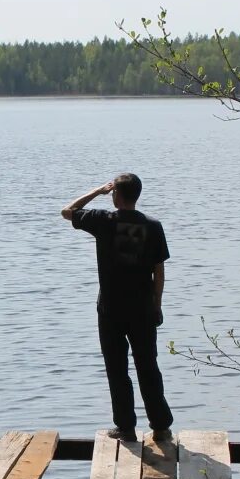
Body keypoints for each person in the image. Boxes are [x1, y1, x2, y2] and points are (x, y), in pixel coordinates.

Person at [61, 173, 174, 440]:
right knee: (148, 366)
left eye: (112, 192)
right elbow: (159, 272)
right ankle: (160, 426)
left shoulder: (103, 220)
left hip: (111, 310)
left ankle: (126, 427)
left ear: (116, 195)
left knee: (117, 368)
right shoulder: (153, 226)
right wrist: (157, 305)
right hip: (143, 309)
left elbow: (68, 211)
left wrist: (97, 190)